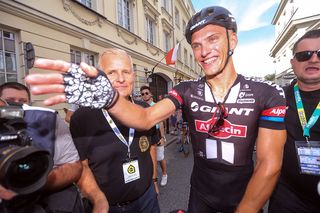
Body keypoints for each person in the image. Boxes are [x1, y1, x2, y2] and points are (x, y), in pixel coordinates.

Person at [24, 6, 287, 212]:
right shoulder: (187, 89)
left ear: (233, 40)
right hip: (200, 194)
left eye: (213, 39)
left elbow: (269, 164)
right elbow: (146, 117)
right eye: (196, 45)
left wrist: (248, 209)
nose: (204, 51)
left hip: (245, 195)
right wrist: (110, 98)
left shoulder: (267, 92)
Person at [69, 48, 160, 213]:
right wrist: (98, 199)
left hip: (147, 200)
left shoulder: (144, 110)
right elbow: (82, 167)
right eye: (112, 72)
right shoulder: (82, 118)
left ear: (133, 76)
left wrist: (154, 180)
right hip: (109, 207)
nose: (120, 79)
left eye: (126, 71)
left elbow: (152, 146)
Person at [0, 82, 83, 212]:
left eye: (22, 101)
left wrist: (37, 179)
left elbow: (75, 166)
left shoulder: (48, 121)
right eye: (10, 101)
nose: (17, 105)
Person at [269, 29, 320, 213]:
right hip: (288, 197)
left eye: (319, 54)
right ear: (293, 63)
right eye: (304, 55)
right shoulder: (276, 98)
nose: (313, 59)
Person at [140, 86, 168, 186]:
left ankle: (164, 174)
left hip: (157, 133)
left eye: (146, 93)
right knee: (149, 158)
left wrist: (162, 137)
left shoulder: (155, 106)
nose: (145, 95)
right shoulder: (140, 106)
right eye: (142, 94)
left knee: (160, 157)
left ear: (150, 94)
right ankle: (152, 178)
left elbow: (160, 123)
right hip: (146, 134)